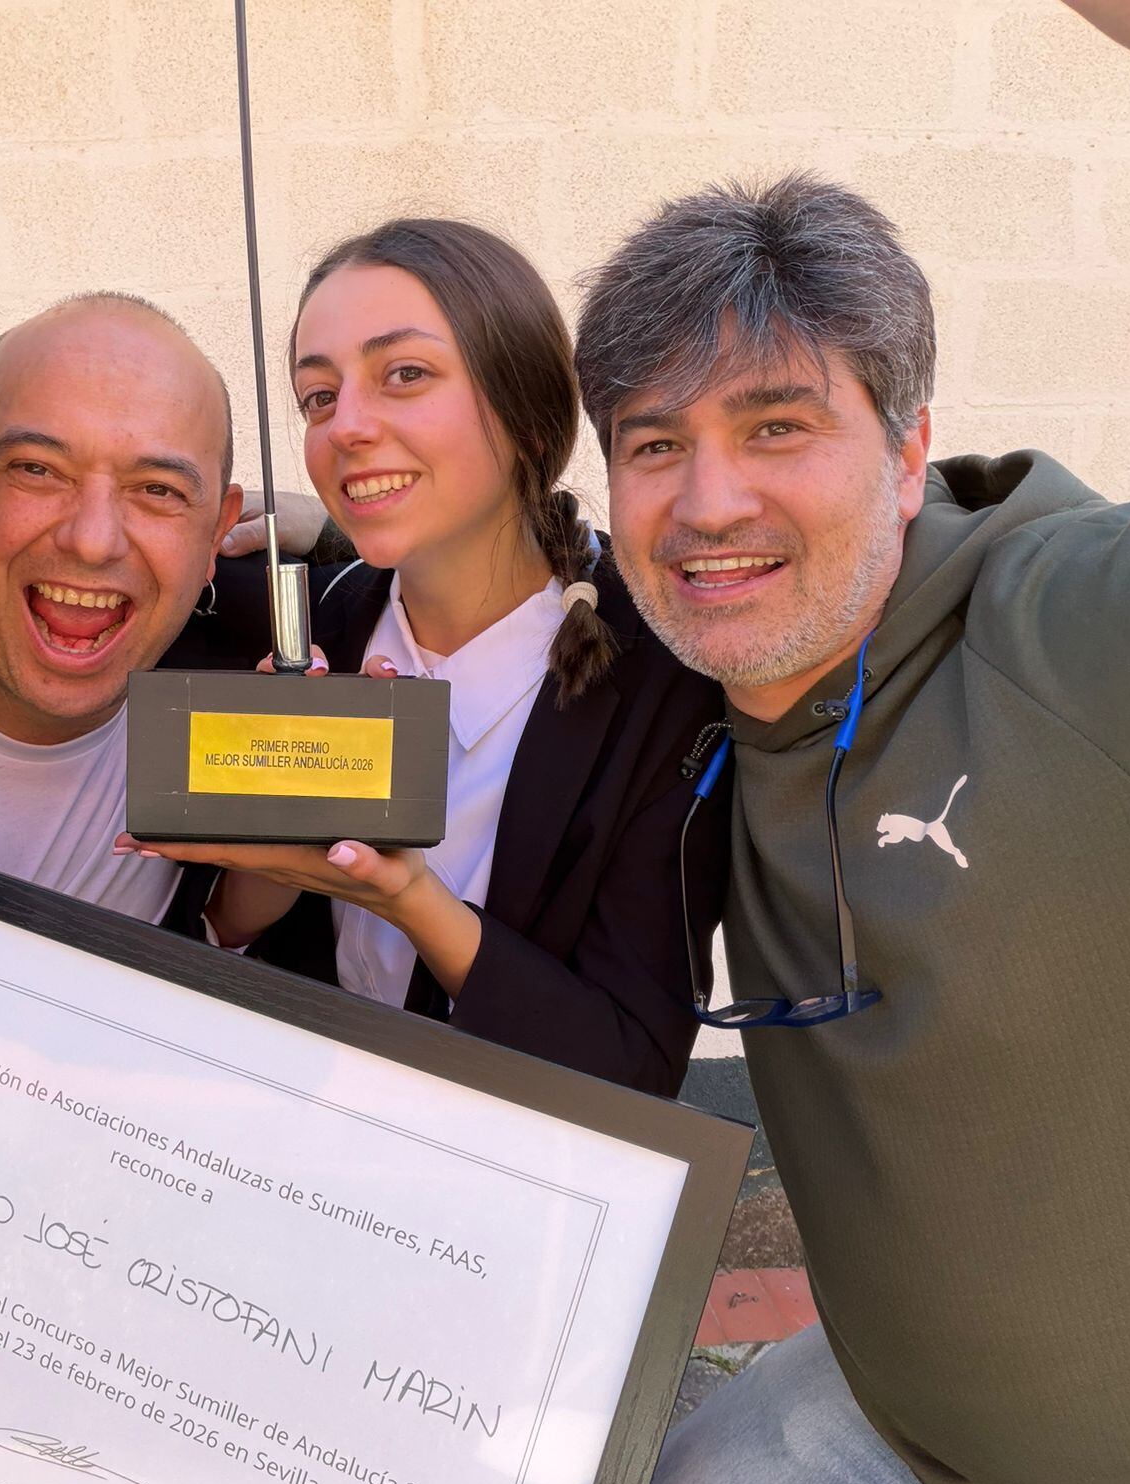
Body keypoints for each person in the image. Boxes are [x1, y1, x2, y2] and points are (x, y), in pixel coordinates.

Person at [577, 10, 1130, 1484]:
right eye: (653, 445)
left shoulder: (1109, 628)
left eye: (777, 425)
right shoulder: (684, 677)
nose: (710, 502)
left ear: (911, 451)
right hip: (898, 1438)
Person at [123, 219, 728, 1094]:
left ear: (523, 406)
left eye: (404, 375)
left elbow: (634, 1067)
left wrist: (408, 899)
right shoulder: (304, 634)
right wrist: (260, 881)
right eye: (318, 396)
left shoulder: (662, 679)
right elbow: (218, 962)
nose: (347, 428)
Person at [0, 293, 321, 931]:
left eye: (157, 491)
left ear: (216, 530)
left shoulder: (261, 656)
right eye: (38, 469)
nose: (92, 540)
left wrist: (336, 526)